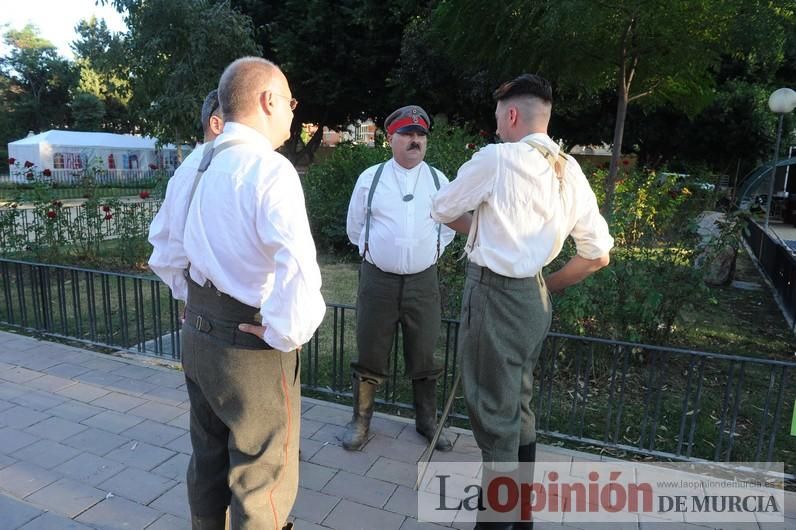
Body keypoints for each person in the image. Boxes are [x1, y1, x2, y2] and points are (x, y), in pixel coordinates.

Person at [148, 57, 326, 530]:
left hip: (198, 334)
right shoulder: (270, 169)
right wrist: (286, 332)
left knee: (206, 454)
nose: (293, 111)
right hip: (250, 343)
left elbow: (163, 250)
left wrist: (197, 301)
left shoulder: (194, 164)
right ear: (267, 100)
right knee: (262, 473)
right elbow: (299, 269)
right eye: (289, 101)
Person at [430, 74, 613, 529]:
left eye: (497, 116)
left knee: (494, 414)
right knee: (518, 405)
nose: (495, 126)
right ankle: (523, 518)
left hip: (494, 296)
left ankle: (496, 523)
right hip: (534, 299)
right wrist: (546, 285)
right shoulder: (569, 168)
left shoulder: (497, 159)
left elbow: (441, 207)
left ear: (511, 114)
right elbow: (598, 256)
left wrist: (481, 230)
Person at [343, 105, 456, 452]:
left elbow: (450, 226)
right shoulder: (371, 179)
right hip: (378, 281)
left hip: (423, 283)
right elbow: (355, 228)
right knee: (370, 350)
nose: (415, 140)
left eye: (420, 135)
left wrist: (429, 252)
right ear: (390, 138)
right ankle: (360, 421)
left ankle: (426, 421)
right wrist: (378, 252)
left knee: (424, 352)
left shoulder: (439, 180)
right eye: (407, 134)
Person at [148, 88, 224, 300]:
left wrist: (190, 297)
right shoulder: (240, 166)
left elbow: (163, 243)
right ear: (216, 124)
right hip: (234, 312)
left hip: (199, 304)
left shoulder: (187, 168)